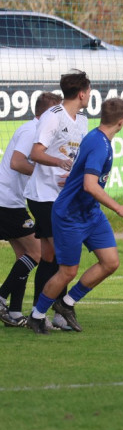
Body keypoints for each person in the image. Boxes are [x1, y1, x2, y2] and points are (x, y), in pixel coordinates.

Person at [26, 98, 123, 334]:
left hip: (90, 213)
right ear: (122, 122)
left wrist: (74, 178)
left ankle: (66, 303)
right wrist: (119, 208)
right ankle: (36, 316)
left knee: (110, 262)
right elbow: (90, 185)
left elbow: (81, 173)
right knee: (67, 271)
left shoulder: (97, 137)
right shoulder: (99, 144)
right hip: (70, 215)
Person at [26, 71, 92, 330]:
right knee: (64, 257)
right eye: (89, 90)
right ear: (82, 93)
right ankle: (49, 313)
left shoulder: (84, 120)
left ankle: (45, 313)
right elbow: (35, 153)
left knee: (51, 256)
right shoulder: (53, 117)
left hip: (63, 197)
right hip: (43, 196)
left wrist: (74, 175)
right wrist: (59, 162)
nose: (89, 95)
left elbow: (77, 158)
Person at [0, 92, 62, 327]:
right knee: (37, 253)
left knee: (24, 257)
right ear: (47, 114)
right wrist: (45, 173)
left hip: (10, 200)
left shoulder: (35, 131)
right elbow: (17, 162)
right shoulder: (31, 130)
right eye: (58, 113)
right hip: (7, 201)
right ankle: (1, 296)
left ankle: (14, 313)